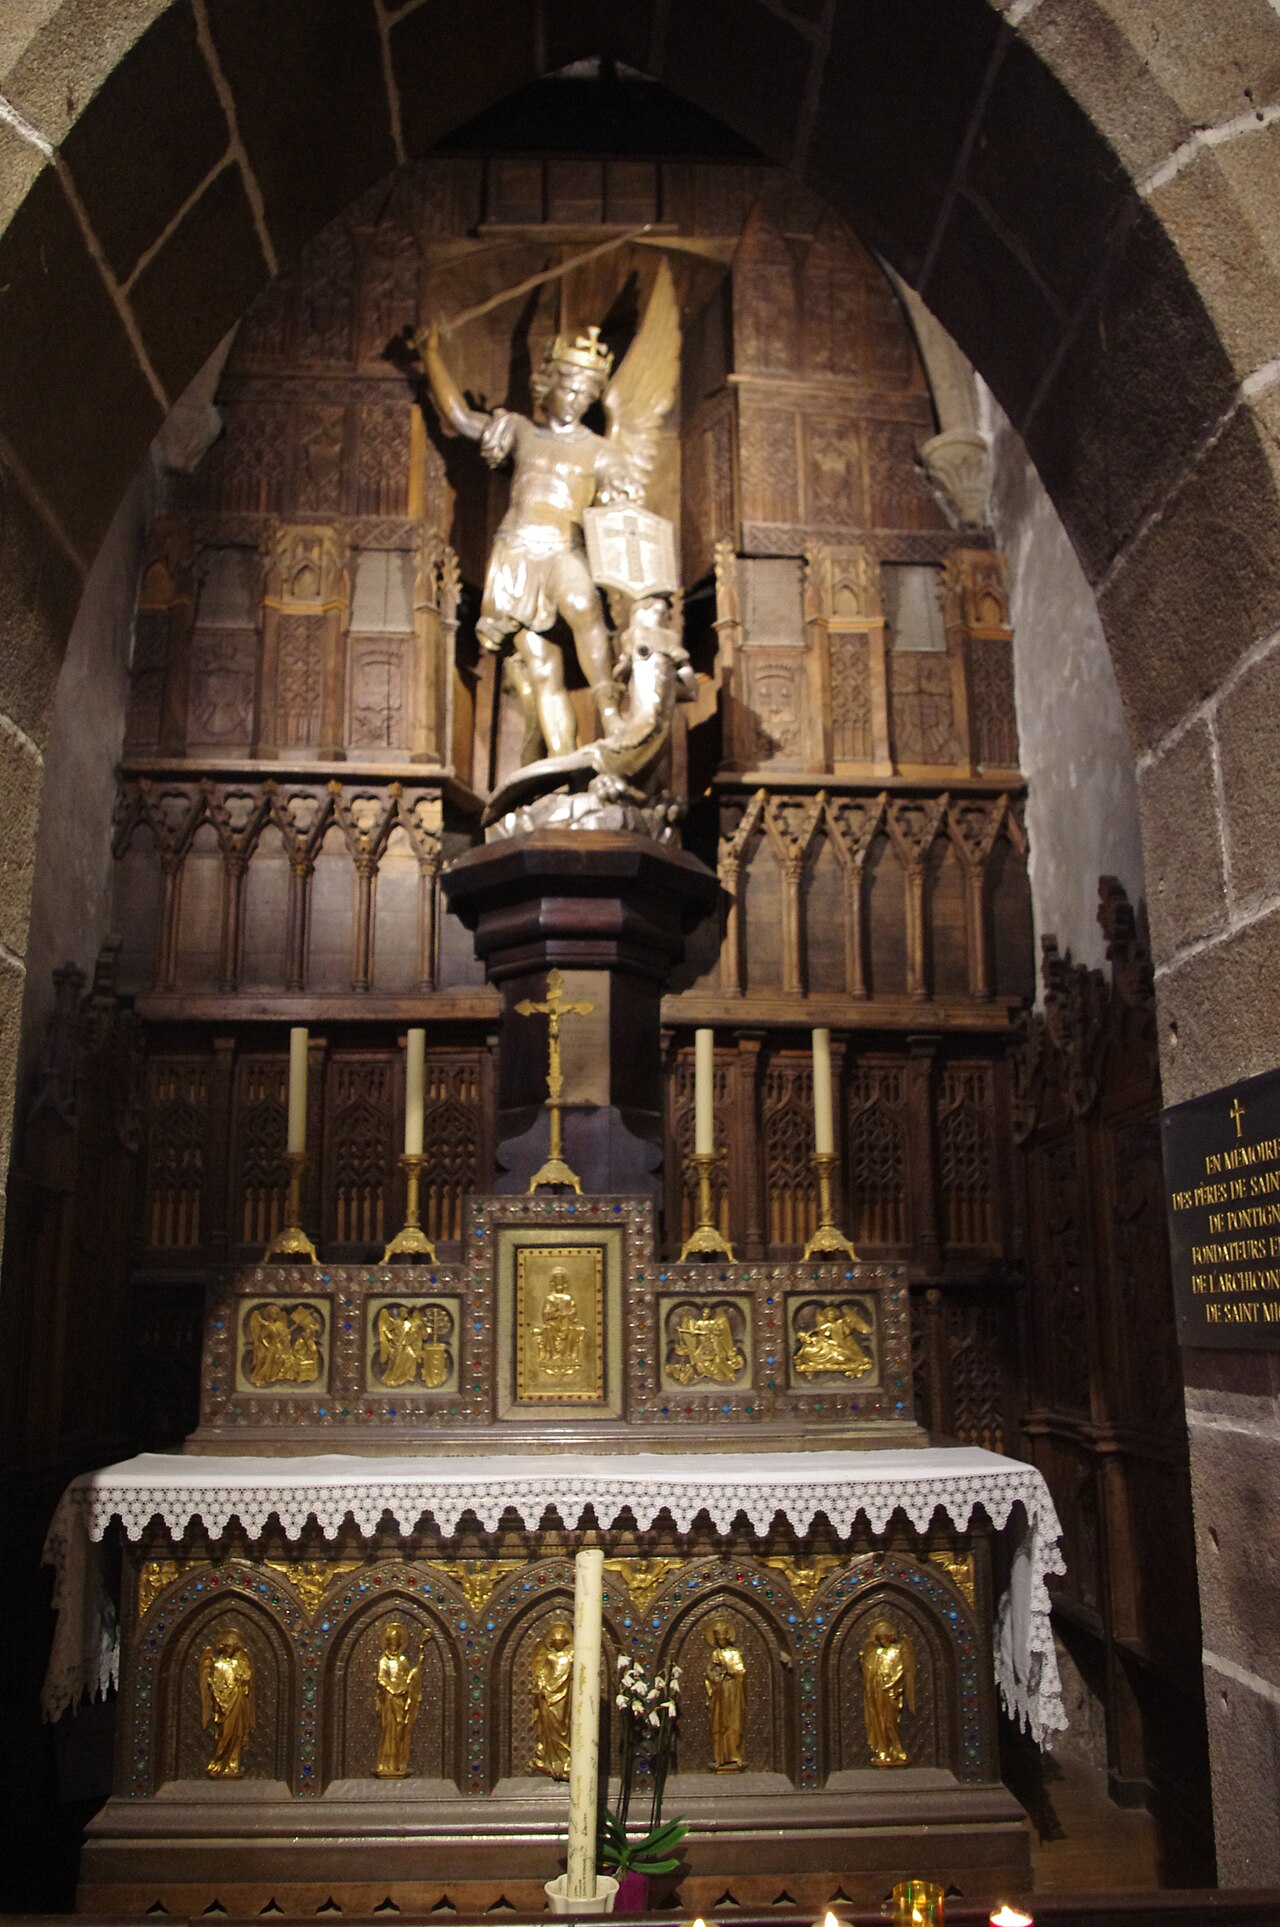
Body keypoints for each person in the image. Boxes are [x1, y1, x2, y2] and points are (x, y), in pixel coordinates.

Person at [419, 321, 632, 760]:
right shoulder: (520, 431)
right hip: (516, 552)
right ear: (547, 385)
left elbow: (623, 517)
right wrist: (430, 353)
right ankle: (562, 760)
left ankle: (611, 715)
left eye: (586, 396)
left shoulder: (601, 451)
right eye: (569, 389)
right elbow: (459, 417)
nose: (575, 402)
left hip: (562, 547)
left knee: (582, 604)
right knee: (542, 669)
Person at [199, 1627, 255, 1778]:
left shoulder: (239, 1663)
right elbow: (214, 1685)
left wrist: (244, 1679)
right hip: (225, 1705)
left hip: (238, 1702)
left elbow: (247, 1678)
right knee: (225, 1733)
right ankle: (218, 1762)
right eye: (227, 1646)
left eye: (232, 1647)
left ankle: (233, 1764)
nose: (229, 1649)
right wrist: (219, 1702)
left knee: (238, 1734)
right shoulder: (219, 1665)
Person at [375, 1620, 427, 1778]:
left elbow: (408, 1676)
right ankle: (386, 1763)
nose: (394, 1645)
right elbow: (381, 1678)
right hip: (390, 1699)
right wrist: (392, 1689)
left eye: (397, 1642)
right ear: (388, 1642)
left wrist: (416, 1668)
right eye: (392, 1642)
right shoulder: (384, 1661)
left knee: (400, 1726)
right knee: (389, 1729)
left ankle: (398, 1762)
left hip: (400, 1699)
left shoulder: (402, 1660)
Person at [860, 1618, 915, 1767]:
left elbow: (901, 1671)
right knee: (879, 1721)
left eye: (885, 1637)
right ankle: (883, 1750)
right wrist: (864, 1660)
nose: (882, 1640)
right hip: (877, 1691)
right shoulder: (877, 1653)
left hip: (891, 1692)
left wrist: (891, 1685)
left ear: (890, 1636)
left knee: (890, 1722)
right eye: (879, 1638)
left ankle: (898, 1750)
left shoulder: (897, 1651)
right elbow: (869, 1669)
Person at [530, 1620, 574, 1779]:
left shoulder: (570, 1656)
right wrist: (541, 1685)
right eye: (556, 1641)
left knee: (565, 1726)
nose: (559, 1643)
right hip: (549, 1696)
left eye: (561, 1641)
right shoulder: (549, 1657)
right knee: (550, 1728)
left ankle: (567, 1757)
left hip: (565, 1696)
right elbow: (541, 1672)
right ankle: (552, 1759)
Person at [704, 1615, 747, 1770]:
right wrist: (715, 1676)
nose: (720, 1641)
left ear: (727, 1638)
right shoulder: (715, 1653)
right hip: (719, 1691)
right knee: (719, 1724)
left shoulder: (734, 1653)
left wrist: (728, 1669)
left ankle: (735, 1755)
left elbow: (741, 1671)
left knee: (733, 1723)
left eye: (722, 1638)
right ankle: (719, 1757)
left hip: (732, 1690)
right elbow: (709, 1672)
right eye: (718, 1639)